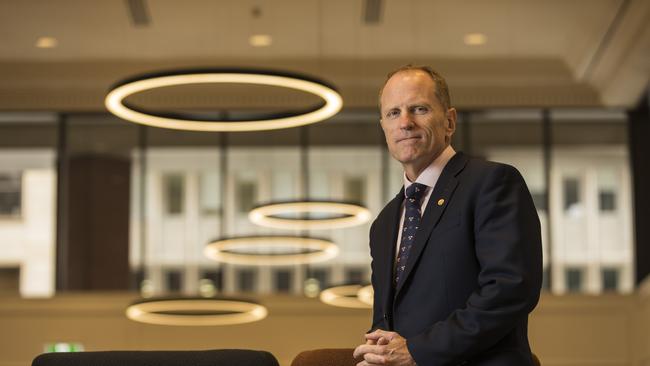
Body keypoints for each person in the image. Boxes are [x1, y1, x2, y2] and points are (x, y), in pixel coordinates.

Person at [353, 65, 543, 366]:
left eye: (419, 109)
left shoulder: (492, 183)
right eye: (393, 113)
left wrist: (417, 351)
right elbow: (385, 320)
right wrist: (377, 352)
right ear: (384, 128)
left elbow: (510, 289)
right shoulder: (384, 222)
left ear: (450, 121)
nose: (405, 122)